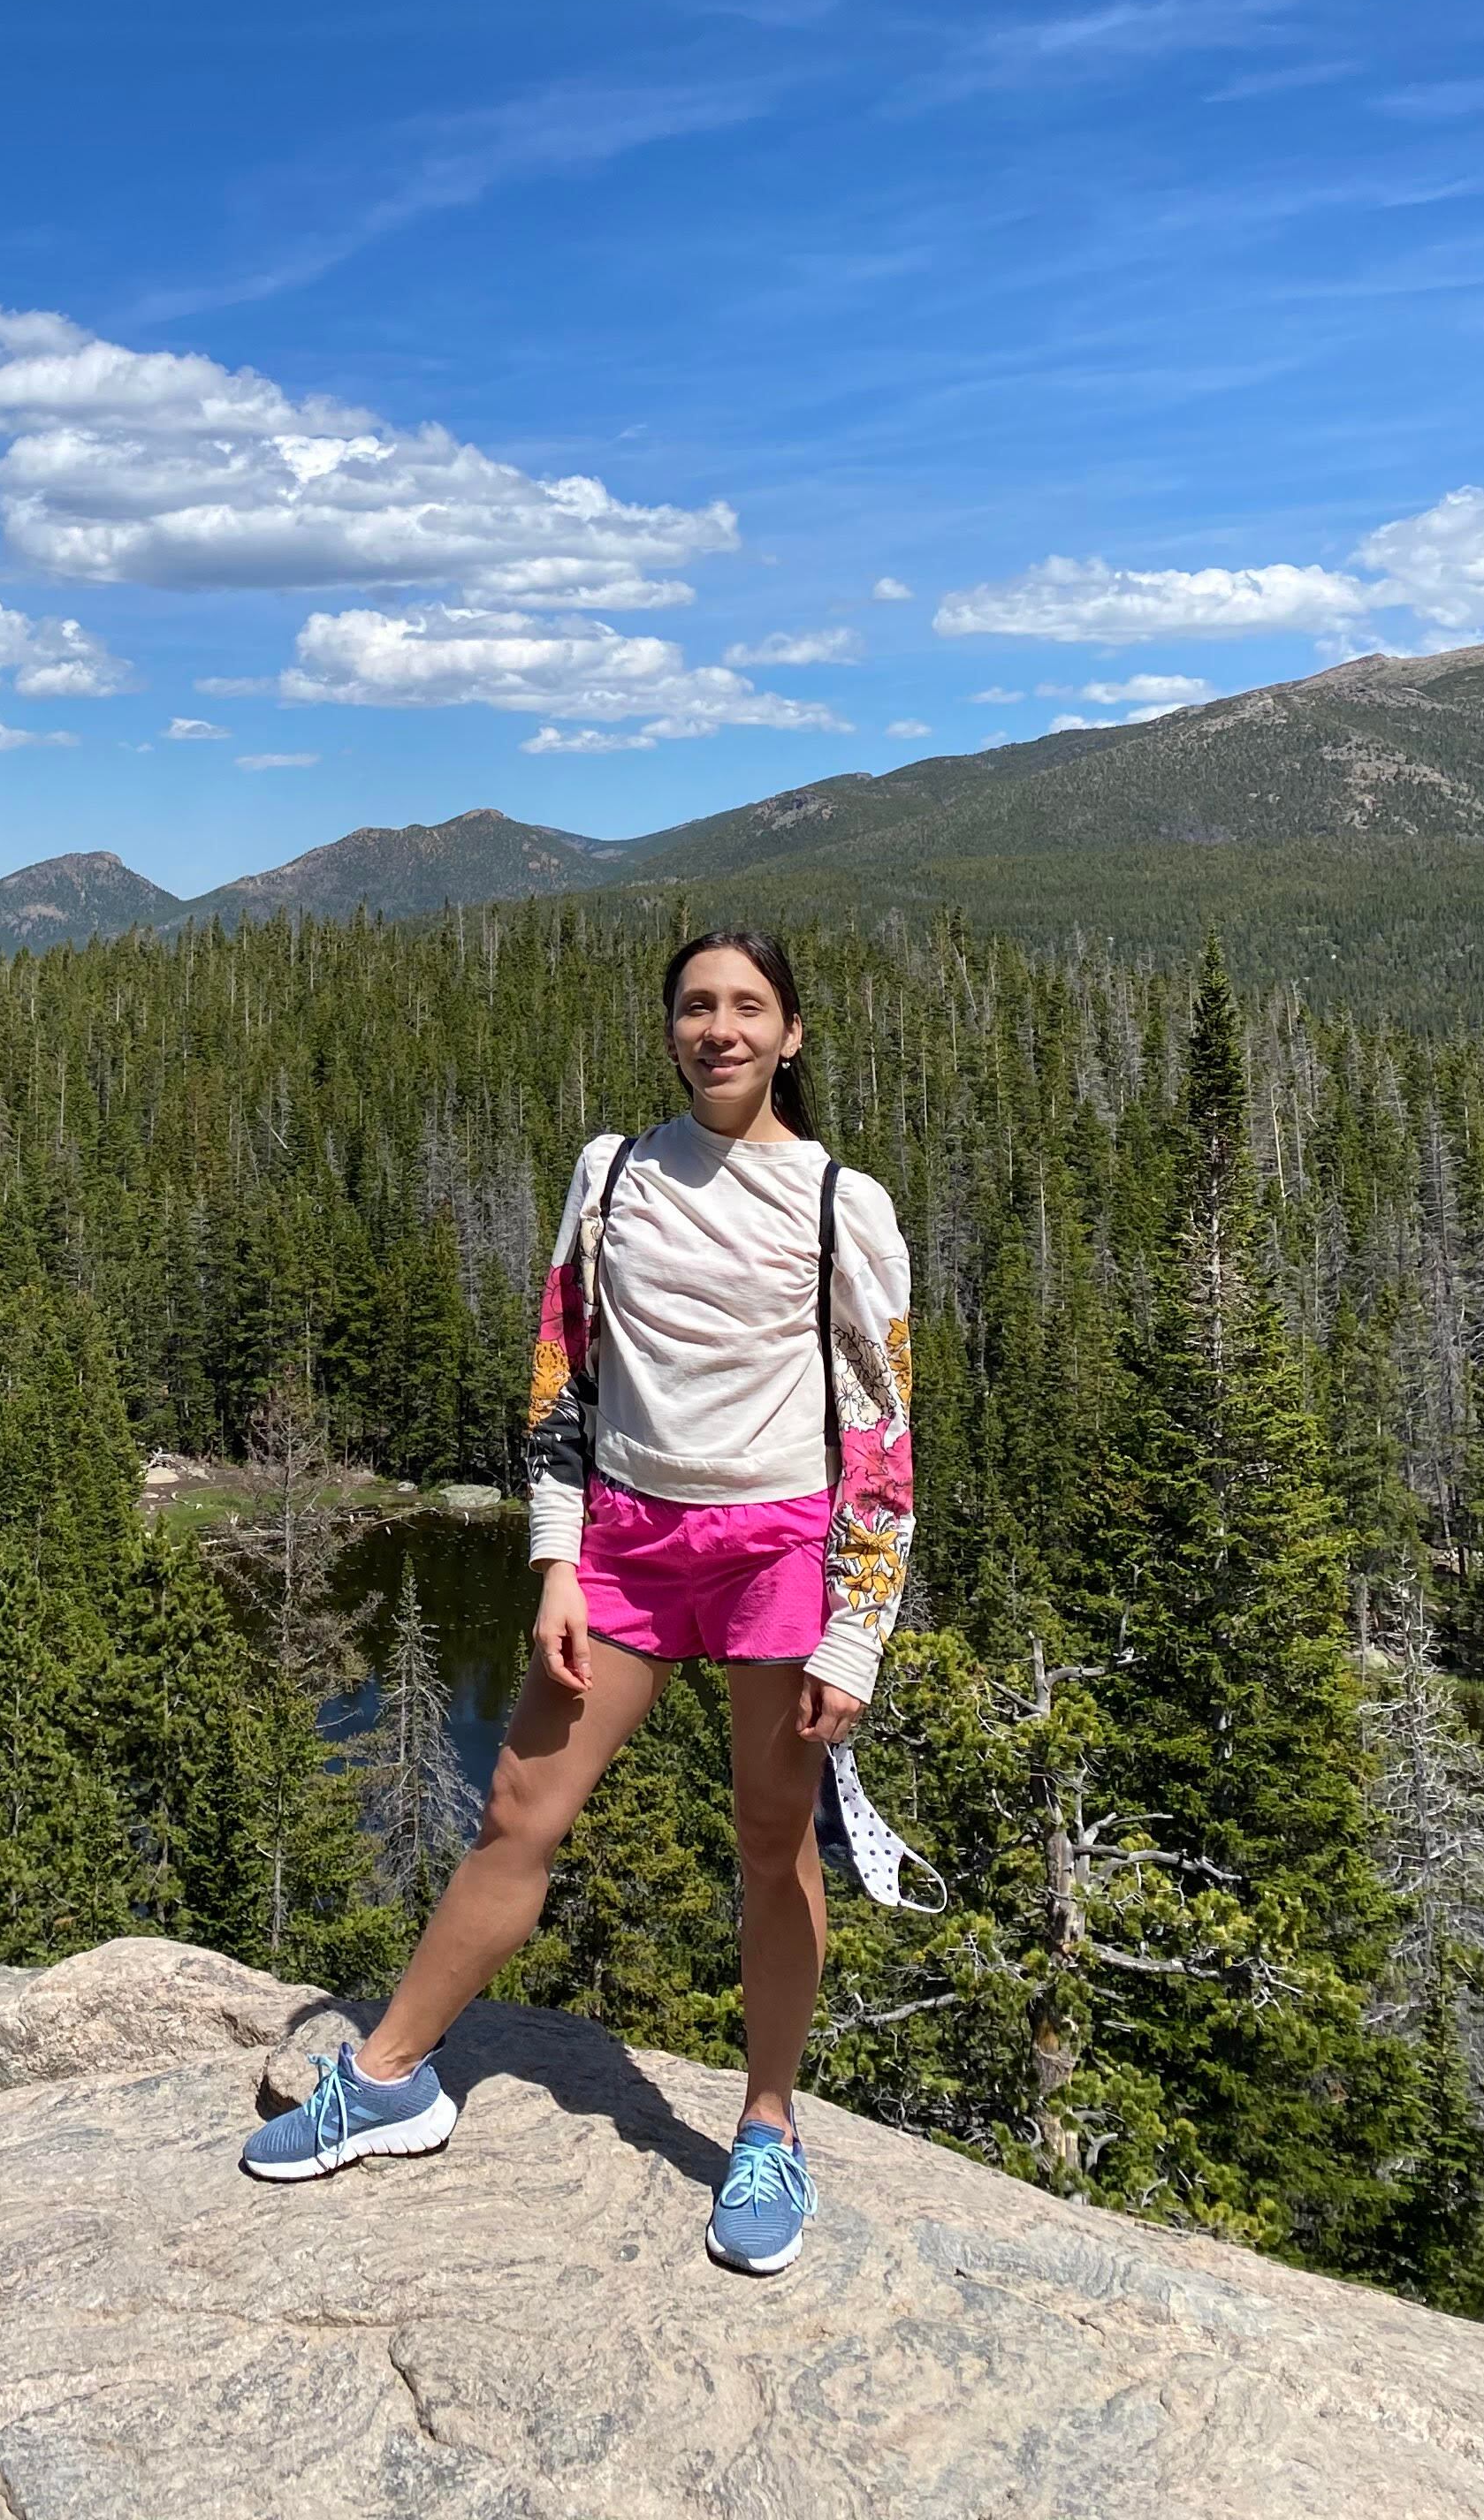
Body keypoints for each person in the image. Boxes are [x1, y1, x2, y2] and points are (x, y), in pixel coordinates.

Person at [240, 930, 914, 2275]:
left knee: (773, 1839)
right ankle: (390, 2077)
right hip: (624, 1541)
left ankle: (769, 2128)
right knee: (517, 1811)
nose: (718, 1029)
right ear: (669, 1027)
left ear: (793, 1036)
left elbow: (885, 1432)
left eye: (747, 1008)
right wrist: (556, 1554)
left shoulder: (845, 1202)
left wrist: (858, 1625)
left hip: (780, 1547)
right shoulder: (611, 1174)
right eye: (694, 1007)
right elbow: (563, 1372)